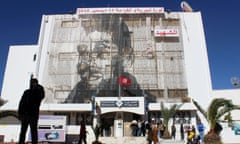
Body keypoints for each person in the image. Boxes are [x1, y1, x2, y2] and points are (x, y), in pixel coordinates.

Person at [18, 78, 45, 144]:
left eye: (34, 82)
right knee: (23, 131)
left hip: (33, 115)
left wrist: (38, 86)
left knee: (33, 131)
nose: (32, 84)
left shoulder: (38, 92)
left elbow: (42, 96)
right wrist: (20, 113)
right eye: (31, 82)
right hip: (25, 115)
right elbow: (21, 102)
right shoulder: (26, 92)